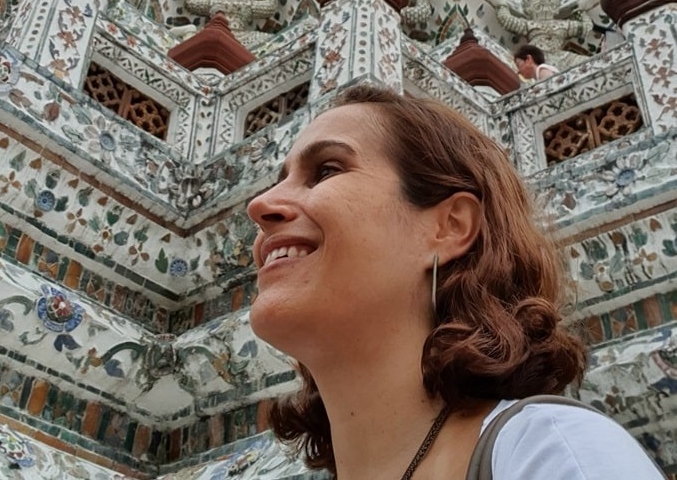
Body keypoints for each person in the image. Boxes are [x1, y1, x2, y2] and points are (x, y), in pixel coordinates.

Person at [248, 84, 665, 479]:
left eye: (325, 171)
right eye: (278, 180)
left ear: (450, 226)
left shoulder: (552, 452)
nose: (260, 205)